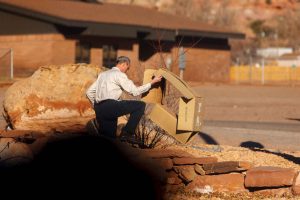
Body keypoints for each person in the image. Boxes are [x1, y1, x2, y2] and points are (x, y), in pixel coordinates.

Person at [86, 56, 162, 141]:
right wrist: (152, 83)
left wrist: (96, 106)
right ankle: (127, 133)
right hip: (111, 106)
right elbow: (134, 91)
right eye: (127, 67)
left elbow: (89, 92)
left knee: (108, 138)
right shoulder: (119, 75)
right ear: (124, 64)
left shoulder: (102, 75)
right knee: (140, 105)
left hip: (100, 109)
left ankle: (97, 127)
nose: (127, 70)